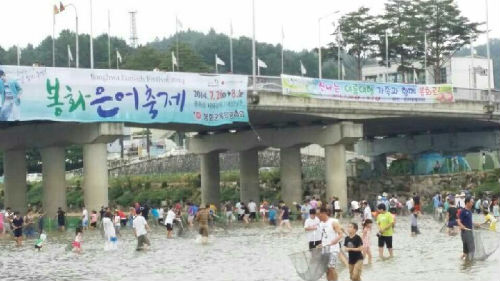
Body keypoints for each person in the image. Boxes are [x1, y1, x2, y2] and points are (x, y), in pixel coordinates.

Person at [318, 207, 343, 281]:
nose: (318, 216)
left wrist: (335, 241)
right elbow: (324, 236)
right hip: (324, 249)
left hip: (333, 249)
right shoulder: (321, 224)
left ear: (324, 213)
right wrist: (321, 244)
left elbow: (341, 234)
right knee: (327, 269)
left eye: (319, 214)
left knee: (332, 268)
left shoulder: (333, 222)